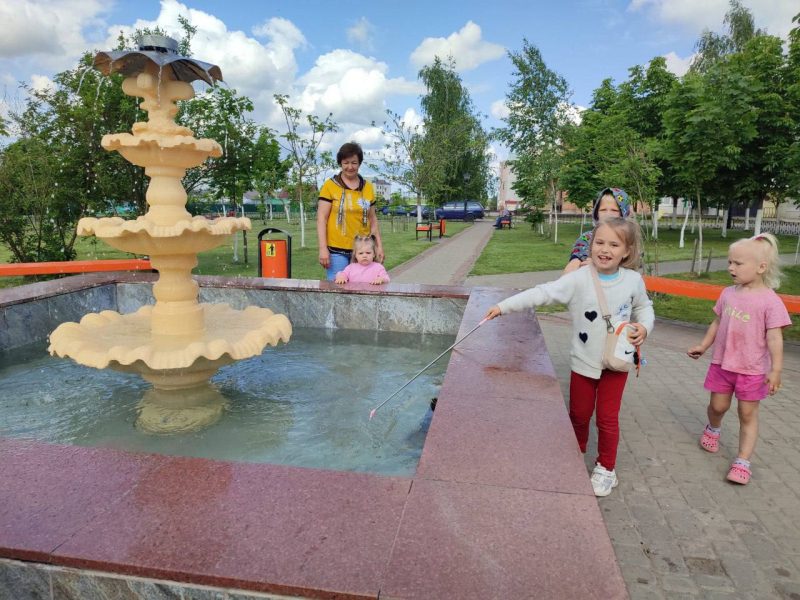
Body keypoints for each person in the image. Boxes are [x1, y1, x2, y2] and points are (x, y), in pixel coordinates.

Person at [485, 217, 654, 497]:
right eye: (599, 242)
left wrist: (644, 327)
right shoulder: (579, 279)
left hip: (616, 364)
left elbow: (645, 307)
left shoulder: (633, 281)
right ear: (591, 245)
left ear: (627, 251)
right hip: (583, 363)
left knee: (607, 418)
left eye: (614, 245)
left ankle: (606, 468)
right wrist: (503, 306)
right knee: (578, 414)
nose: (605, 249)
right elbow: (543, 293)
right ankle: (574, 457)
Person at [687, 233, 791, 485]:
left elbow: (775, 338)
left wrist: (776, 370)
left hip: (752, 370)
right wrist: (704, 345)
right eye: (730, 262)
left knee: (747, 413)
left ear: (761, 267)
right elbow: (717, 322)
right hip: (722, 364)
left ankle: (743, 461)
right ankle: (713, 428)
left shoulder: (771, 302)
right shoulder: (728, 294)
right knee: (718, 407)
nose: (731, 268)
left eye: (738, 263)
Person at [317, 142, 384, 281]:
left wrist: (379, 246)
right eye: (346, 163)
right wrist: (323, 248)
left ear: (359, 163)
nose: (350, 167)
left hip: (363, 249)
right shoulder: (330, 186)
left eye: (354, 163)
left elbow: (372, 220)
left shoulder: (368, 187)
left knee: (364, 286)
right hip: (336, 251)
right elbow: (322, 218)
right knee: (338, 287)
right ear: (340, 163)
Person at [564, 187, 632, 273]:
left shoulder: (628, 239)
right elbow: (572, 265)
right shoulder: (587, 238)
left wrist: (600, 265)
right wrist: (577, 262)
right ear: (596, 213)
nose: (608, 214)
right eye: (603, 210)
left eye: (614, 210)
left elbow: (632, 265)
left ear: (624, 214)